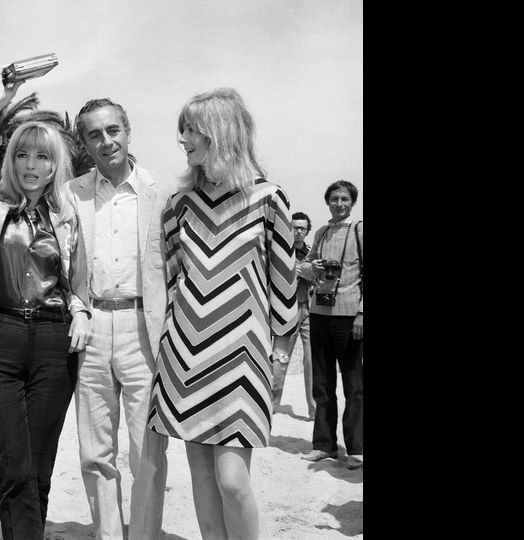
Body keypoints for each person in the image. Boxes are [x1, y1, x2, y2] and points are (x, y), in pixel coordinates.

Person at [0, 66, 92, 540]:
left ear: (55, 165)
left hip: (54, 344)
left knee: (40, 465)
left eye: (42, 157)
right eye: (22, 154)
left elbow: (79, 283)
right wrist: (4, 98)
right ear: (11, 160)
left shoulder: (67, 217)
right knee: (14, 462)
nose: (31, 164)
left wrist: (83, 313)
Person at [146, 88, 298, 540]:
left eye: (192, 129)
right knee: (200, 476)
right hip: (185, 355)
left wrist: (280, 359)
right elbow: (175, 284)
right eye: (182, 130)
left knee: (232, 480)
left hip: (242, 356)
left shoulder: (269, 200)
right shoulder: (177, 206)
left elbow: (284, 289)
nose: (183, 139)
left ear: (221, 132)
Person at [69, 98, 176, 540]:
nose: (106, 140)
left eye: (113, 130)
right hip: (90, 326)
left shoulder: (163, 195)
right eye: (94, 134)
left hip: (142, 331)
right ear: (84, 143)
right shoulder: (70, 194)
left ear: (128, 131)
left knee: (147, 450)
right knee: (95, 452)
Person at [297, 180, 363, 470]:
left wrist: (362, 314)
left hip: (350, 316)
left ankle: (357, 448)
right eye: (334, 198)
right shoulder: (322, 232)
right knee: (322, 384)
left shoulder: (359, 231)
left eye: (344, 199)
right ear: (327, 202)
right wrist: (314, 269)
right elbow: (305, 267)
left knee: (354, 385)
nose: (339, 203)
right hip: (320, 314)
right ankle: (324, 445)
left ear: (352, 202)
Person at [270, 211, 317, 419]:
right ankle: (271, 406)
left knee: (311, 361)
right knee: (280, 359)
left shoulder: (312, 253)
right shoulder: (280, 251)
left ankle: (314, 411)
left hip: (310, 309)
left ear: (307, 231)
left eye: (302, 228)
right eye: (295, 227)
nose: (298, 232)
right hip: (286, 311)